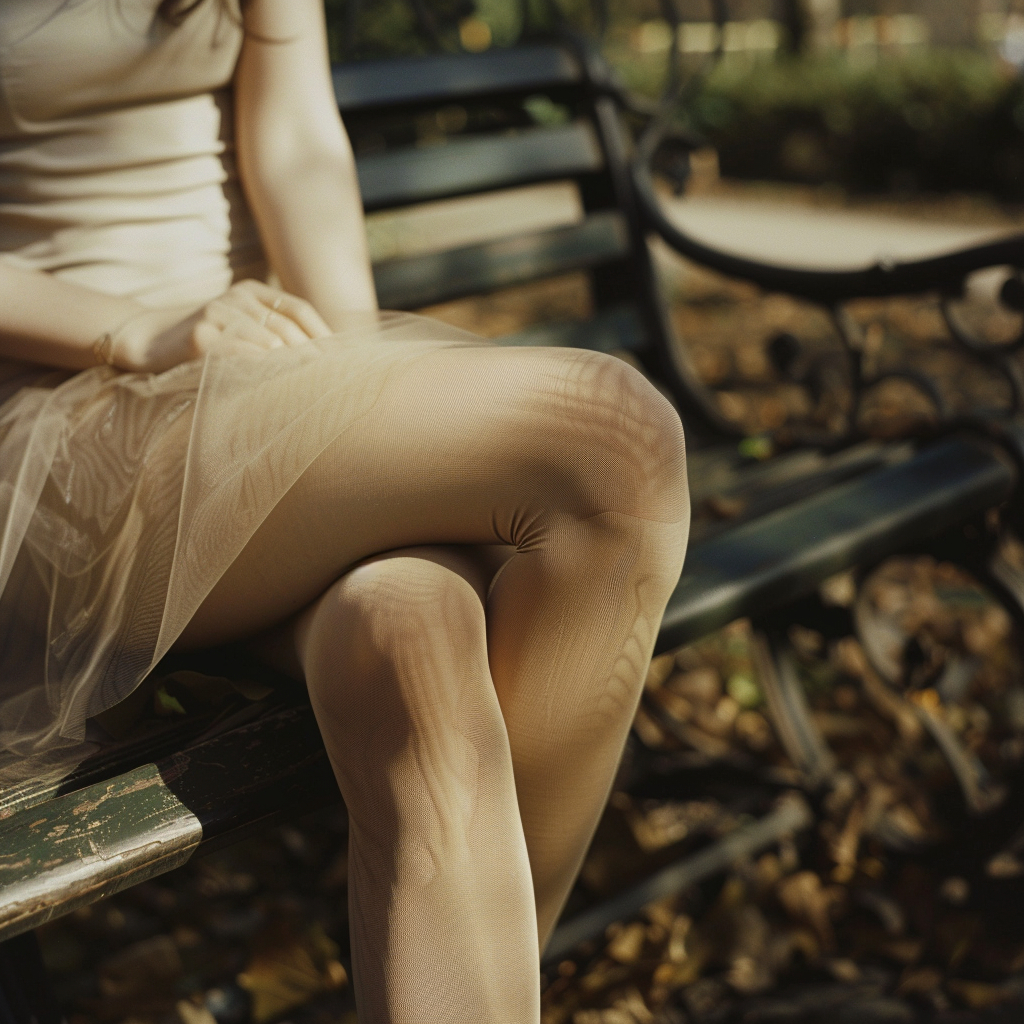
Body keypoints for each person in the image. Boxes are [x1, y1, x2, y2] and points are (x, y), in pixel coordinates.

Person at [0, 0, 690, 1020]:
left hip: (240, 391)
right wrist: (133, 328)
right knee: (614, 441)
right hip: (56, 435)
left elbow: (295, 146)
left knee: (411, 638)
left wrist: (355, 386)